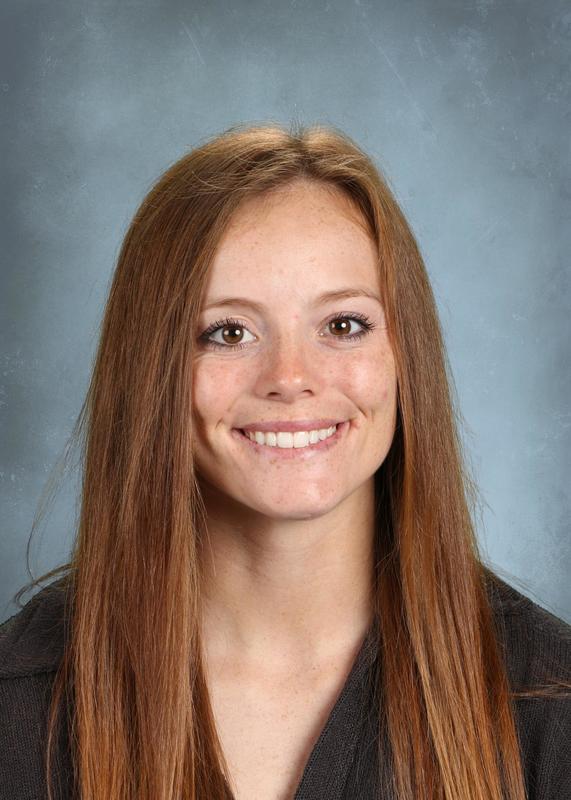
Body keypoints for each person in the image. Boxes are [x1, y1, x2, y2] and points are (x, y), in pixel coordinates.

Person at [0, 122, 569, 800]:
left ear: (404, 356)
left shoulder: (549, 698)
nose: (290, 377)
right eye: (228, 332)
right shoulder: (18, 702)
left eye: (343, 325)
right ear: (149, 369)